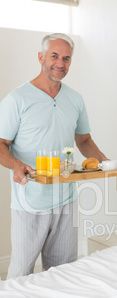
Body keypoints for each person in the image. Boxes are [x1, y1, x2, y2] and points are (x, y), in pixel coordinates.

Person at [0, 33, 109, 278]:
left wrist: (105, 162)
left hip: (66, 198)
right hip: (30, 201)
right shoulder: (17, 99)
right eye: (55, 56)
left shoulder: (75, 99)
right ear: (41, 57)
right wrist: (17, 165)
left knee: (63, 272)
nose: (60, 63)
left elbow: (84, 140)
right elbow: (1, 144)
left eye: (67, 58)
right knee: (21, 273)